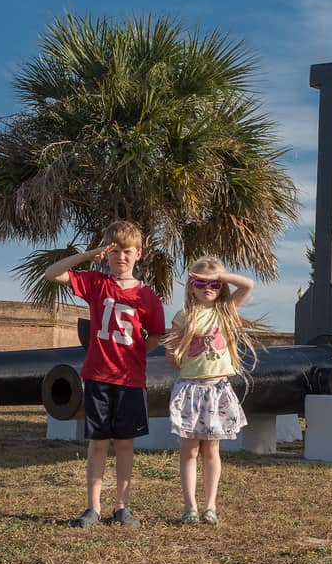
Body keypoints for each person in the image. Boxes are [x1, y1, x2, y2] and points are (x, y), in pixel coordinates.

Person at [44, 221, 165, 528]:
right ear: (108, 254)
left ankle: (122, 507)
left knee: (125, 443)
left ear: (138, 254)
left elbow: (155, 336)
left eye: (127, 251)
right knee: (98, 443)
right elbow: (52, 273)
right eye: (115, 252)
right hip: (98, 377)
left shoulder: (148, 296)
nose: (121, 257)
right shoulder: (97, 284)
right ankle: (93, 508)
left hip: (130, 380)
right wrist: (87, 256)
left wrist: (135, 354)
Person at [164, 256, 255, 526]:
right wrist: (175, 349)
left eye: (214, 284)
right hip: (191, 388)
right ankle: (190, 505)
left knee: (212, 451)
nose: (209, 288)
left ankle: (210, 505)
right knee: (190, 450)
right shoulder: (184, 316)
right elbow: (172, 356)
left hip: (217, 388)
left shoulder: (226, 311)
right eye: (201, 283)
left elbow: (247, 285)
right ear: (191, 285)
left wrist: (221, 277)